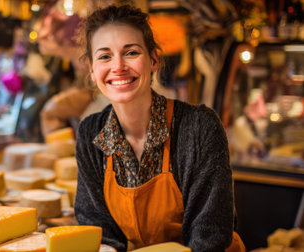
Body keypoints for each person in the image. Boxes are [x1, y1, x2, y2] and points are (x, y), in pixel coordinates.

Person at [74, 5, 245, 252]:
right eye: (104, 56)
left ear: (154, 60)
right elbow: (99, 233)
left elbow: (210, 236)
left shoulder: (199, 127)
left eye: (131, 52)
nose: (118, 66)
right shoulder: (90, 133)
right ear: (92, 71)